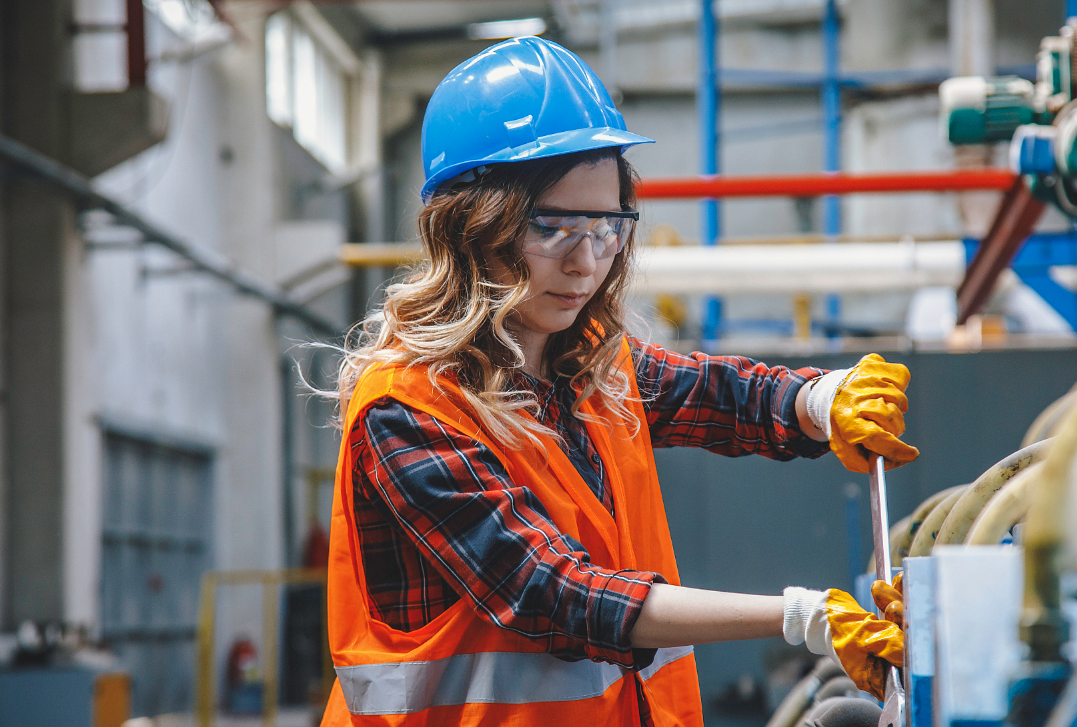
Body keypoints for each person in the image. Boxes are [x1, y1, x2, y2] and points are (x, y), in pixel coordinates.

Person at [321, 36, 915, 727]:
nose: (585, 263)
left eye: (606, 228)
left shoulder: (587, 366)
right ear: (465, 228)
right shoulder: (407, 412)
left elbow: (721, 396)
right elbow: (555, 593)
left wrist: (822, 399)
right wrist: (800, 617)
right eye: (551, 226)